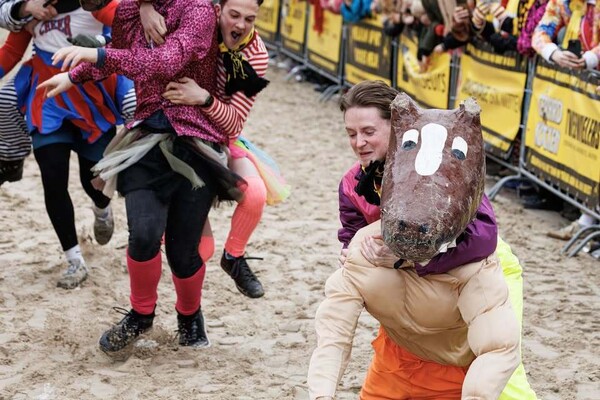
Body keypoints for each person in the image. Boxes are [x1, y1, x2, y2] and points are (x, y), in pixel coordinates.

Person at [311, 81, 537, 399]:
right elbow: (351, 232)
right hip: (412, 277)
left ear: (399, 127)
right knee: (400, 344)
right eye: (351, 133)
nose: (358, 142)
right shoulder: (353, 183)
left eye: (368, 131)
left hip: (478, 264)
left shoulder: (440, 167)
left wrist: (406, 259)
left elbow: (484, 235)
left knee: (503, 372)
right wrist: (352, 254)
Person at [40, 0, 244, 353]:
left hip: (195, 141)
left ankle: (189, 316)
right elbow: (120, 55)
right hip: (144, 139)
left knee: (183, 251)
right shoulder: (128, 10)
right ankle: (140, 314)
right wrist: (72, 76)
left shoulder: (197, 8)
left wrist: (98, 56)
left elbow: (165, 62)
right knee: (144, 233)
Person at [138, 0, 290, 299]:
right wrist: (145, 6)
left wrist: (203, 98)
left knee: (255, 194)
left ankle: (233, 257)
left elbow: (233, 125)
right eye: (234, 15)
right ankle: (167, 303)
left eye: (250, 18)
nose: (241, 25)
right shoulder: (195, 19)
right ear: (218, 9)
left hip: (219, 138)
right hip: (172, 131)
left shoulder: (254, 54)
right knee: (196, 249)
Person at [0, 0, 133, 289]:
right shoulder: (34, 8)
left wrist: (101, 41)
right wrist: (25, 10)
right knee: (53, 179)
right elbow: (11, 50)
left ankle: (102, 209)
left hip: (93, 96)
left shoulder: (97, 4)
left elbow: (126, 28)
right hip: (46, 98)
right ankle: (73, 259)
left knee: (94, 181)